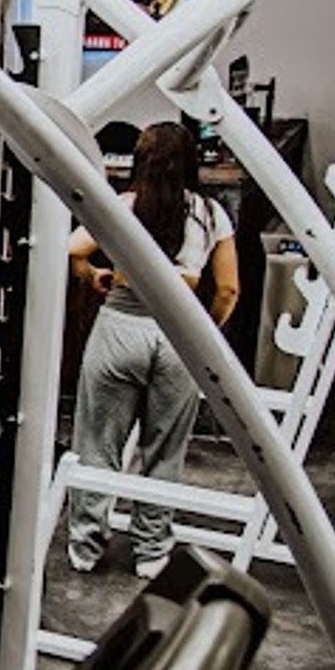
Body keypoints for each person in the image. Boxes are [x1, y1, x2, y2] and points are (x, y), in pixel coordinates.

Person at [66, 121, 239, 578]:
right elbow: (228, 291)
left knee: (97, 442)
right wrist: (200, 334)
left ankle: (86, 546)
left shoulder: (123, 206)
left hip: (120, 325)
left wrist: (92, 276)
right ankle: (151, 552)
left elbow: (73, 249)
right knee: (164, 449)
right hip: (179, 337)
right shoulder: (210, 214)